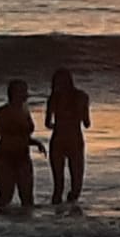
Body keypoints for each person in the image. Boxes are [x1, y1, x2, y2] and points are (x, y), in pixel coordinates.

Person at [0, 79, 46, 208]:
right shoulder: (3, 112)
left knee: (28, 200)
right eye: (22, 91)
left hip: (23, 157)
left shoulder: (25, 111)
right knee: (5, 197)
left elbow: (23, 136)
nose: (26, 94)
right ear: (13, 93)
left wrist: (36, 143)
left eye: (25, 90)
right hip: (4, 158)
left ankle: (25, 222)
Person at [45, 68, 91, 205]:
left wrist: (60, 125)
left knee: (58, 186)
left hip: (58, 139)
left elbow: (48, 124)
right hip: (75, 139)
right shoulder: (82, 97)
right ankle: (71, 212)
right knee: (76, 186)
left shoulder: (53, 98)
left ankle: (57, 215)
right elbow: (87, 123)